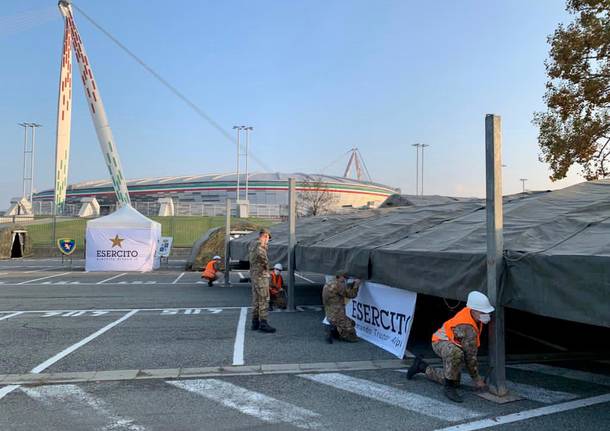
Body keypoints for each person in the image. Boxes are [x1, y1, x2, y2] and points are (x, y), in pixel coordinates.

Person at [406, 291, 495, 403]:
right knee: (456, 354)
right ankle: (448, 388)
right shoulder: (468, 327)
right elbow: (470, 357)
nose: (487, 315)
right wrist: (477, 380)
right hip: (440, 342)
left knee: (453, 379)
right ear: (474, 310)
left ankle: (421, 367)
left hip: (450, 342)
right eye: (483, 312)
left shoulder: (473, 313)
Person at [248, 228, 276, 333]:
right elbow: (263, 259)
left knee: (256, 300)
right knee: (264, 299)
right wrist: (268, 269)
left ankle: (255, 322)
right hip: (261, 276)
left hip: (254, 276)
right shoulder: (260, 246)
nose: (268, 241)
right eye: (268, 238)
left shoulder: (252, 244)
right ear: (265, 236)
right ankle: (263, 323)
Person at [322, 271, 361, 343]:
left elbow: (342, 290)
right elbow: (352, 295)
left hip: (329, 312)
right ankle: (332, 331)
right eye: (345, 278)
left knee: (351, 322)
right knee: (353, 336)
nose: (346, 280)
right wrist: (356, 285)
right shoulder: (339, 285)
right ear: (340, 277)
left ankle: (334, 329)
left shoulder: (330, 283)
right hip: (337, 314)